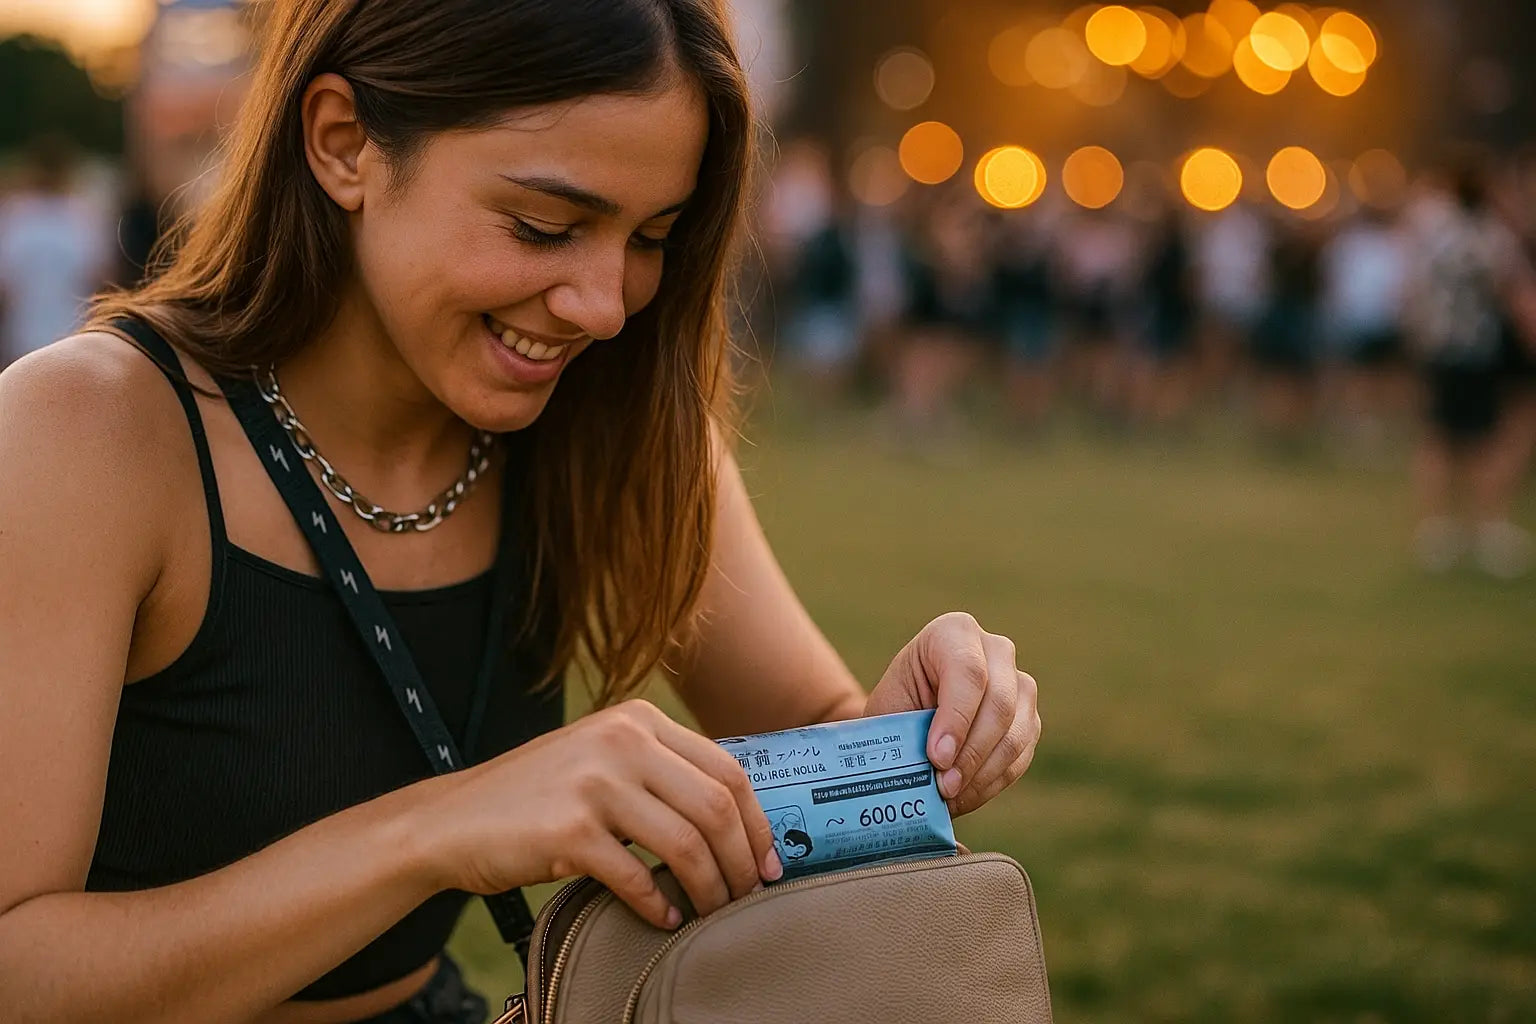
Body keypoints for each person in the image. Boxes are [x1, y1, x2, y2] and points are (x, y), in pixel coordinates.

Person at [0, 3, 1042, 1023]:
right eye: (545, 226)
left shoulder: (614, 417)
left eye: (651, 237)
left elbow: (809, 735)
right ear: (344, 143)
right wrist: (442, 828)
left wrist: (908, 740)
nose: (603, 304)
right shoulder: (90, 430)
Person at [1405, 161, 1536, 576]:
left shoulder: (1435, 235)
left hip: (1439, 348)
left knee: (1440, 439)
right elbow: (1514, 294)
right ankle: (1487, 528)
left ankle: (1438, 530)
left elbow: (1412, 290)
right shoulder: (1491, 237)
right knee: (1483, 442)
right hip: (1477, 350)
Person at [0, 135, 111, 367]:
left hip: (24, 335)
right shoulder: (82, 215)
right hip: (71, 333)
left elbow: (7, 286)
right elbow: (99, 278)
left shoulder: (15, 214)